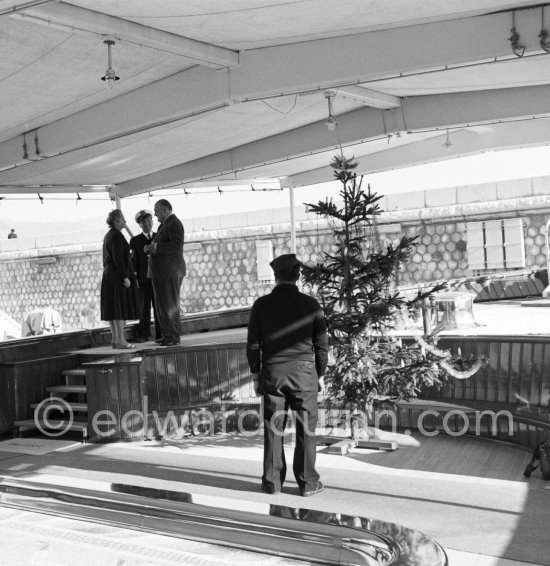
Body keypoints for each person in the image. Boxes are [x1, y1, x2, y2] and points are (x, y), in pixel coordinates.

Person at [247, 253, 328, 497]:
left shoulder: (261, 305)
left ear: (276, 276)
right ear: (297, 275)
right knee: (306, 429)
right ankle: (308, 483)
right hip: (304, 372)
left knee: (274, 427)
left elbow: (253, 344)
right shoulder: (312, 305)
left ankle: (272, 482)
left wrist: (255, 375)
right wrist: (320, 374)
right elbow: (321, 345)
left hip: (273, 371)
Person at [145, 199, 186, 346]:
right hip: (161, 272)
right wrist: (151, 247)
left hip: (169, 271)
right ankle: (167, 334)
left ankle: (173, 336)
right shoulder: (165, 225)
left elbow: (176, 245)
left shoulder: (174, 223)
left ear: (164, 209)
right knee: (162, 305)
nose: (155, 215)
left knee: (169, 304)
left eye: (156, 211)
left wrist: (156, 247)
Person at [100, 209, 139, 349]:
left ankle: (115, 339)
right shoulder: (117, 236)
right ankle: (121, 339)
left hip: (108, 274)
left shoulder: (108, 235)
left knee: (112, 308)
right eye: (122, 219)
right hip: (117, 275)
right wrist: (125, 277)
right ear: (116, 221)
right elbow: (118, 259)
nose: (125, 221)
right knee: (118, 308)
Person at [130, 209, 161, 342]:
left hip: (158, 278)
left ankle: (161, 333)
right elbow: (133, 262)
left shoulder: (159, 236)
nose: (147, 224)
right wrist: (135, 279)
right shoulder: (135, 240)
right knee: (144, 308)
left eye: (149, 220)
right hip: (143, 279)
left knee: (159, 307)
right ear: (140, 225)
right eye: (144, 222)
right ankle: (144, 334)